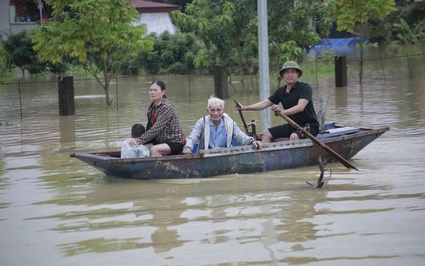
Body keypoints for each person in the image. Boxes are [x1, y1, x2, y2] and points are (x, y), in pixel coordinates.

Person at [236, 60, 319, 142]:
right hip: (292, 126)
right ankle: (266, 155)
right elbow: (264, 104)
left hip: (309, 127)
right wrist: (245, 107)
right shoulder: (281, 91)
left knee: (294, 137)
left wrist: (281, 112)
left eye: (293, 72)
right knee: (267, 133)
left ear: (298, 74)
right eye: (287, 72)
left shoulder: (304, 87)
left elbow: (300, 107)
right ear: (283, 75)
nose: (289, 75)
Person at [182, 96, 262, 154]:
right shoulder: (202, 122)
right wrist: (187, 147)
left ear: (223, 110)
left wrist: (252, 141)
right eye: (212, 110)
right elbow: (193, 137)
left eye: (218, 110)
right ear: (208, 111)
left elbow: (241, 136)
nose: (216, 113)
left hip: (225, 154)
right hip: (206, 156)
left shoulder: (230, 123)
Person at [130, 80, 186, 157]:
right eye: (151, 90)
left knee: (154, 149)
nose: (152, 92)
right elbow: (149, 127)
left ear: (163, 92)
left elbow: (156, 128)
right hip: (160, 142)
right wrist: (139, 141)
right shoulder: (152, 106)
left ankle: (157, 169)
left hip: (175, 142)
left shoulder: (167, 106)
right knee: (139, 148)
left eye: (155, 90)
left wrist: (140, 140)